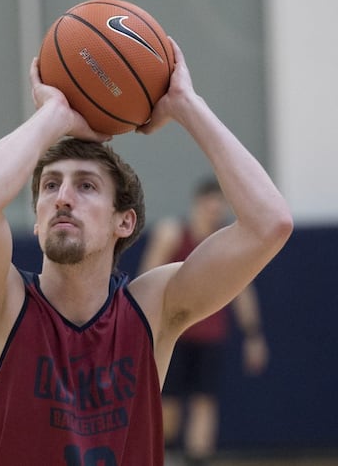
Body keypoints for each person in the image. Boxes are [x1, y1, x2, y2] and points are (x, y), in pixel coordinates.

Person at [0, 38, 293, 466]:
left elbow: (270, 223)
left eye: (86, 186)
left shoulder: (152, 310)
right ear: (36, 221)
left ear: (124, 222)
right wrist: (53, 115)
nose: (62, 197)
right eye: (51, 185)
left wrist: (186, 104)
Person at [138, 178, 270, 466]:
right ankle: (166, 455)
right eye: (210, 207)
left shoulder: (227, 246)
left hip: (210, 336)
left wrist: (253, 335)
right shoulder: (172, 234)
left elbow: (243, 290)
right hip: (174, 334)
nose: (215, 213)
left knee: (204, 402)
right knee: (168, 405)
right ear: (198, 204)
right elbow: (147, 280)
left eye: (219, 209)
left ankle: (198, 460)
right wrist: (145, 329)